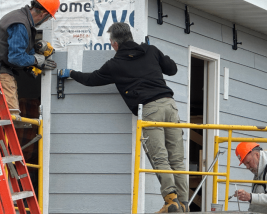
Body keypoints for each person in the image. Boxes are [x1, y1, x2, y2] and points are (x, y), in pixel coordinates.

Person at [58, 22, 189, 213]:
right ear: (130, 37)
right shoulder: (150, 50)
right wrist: (157, 53)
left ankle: (171, 201)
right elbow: (172, 69)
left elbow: (92, 79)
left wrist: (71, 73)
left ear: (115, 44)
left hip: (150, 110)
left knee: (159, 157)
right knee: (177, 158)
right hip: (170, 105)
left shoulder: (115, 64)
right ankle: (183, 203)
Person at [0, 0, 59, 118]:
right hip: (2, 71)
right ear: (44, 14)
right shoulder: (20, 24)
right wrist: (35, 60)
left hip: (4, 68)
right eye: (48, 18)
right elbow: (15, 57)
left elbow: (23, 51)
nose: (46, 20)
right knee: (11, 116)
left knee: (9, 117)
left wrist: (36, 64)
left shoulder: (23, 19)